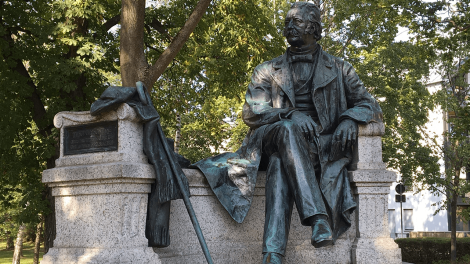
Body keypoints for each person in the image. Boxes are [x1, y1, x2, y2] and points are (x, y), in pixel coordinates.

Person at [192, 2, 382, 263]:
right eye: (287, 22)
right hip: (268, 140)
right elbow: (252, 112)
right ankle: (317, 218)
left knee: (282, 162)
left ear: (314, 28)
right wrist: (290, 113)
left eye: (297, 21)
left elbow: (369, 104)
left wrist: (350, 118)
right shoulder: (267, 70)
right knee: (287, 129)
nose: (289, 26)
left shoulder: (339, 69)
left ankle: (272, 254)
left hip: (317, 148)